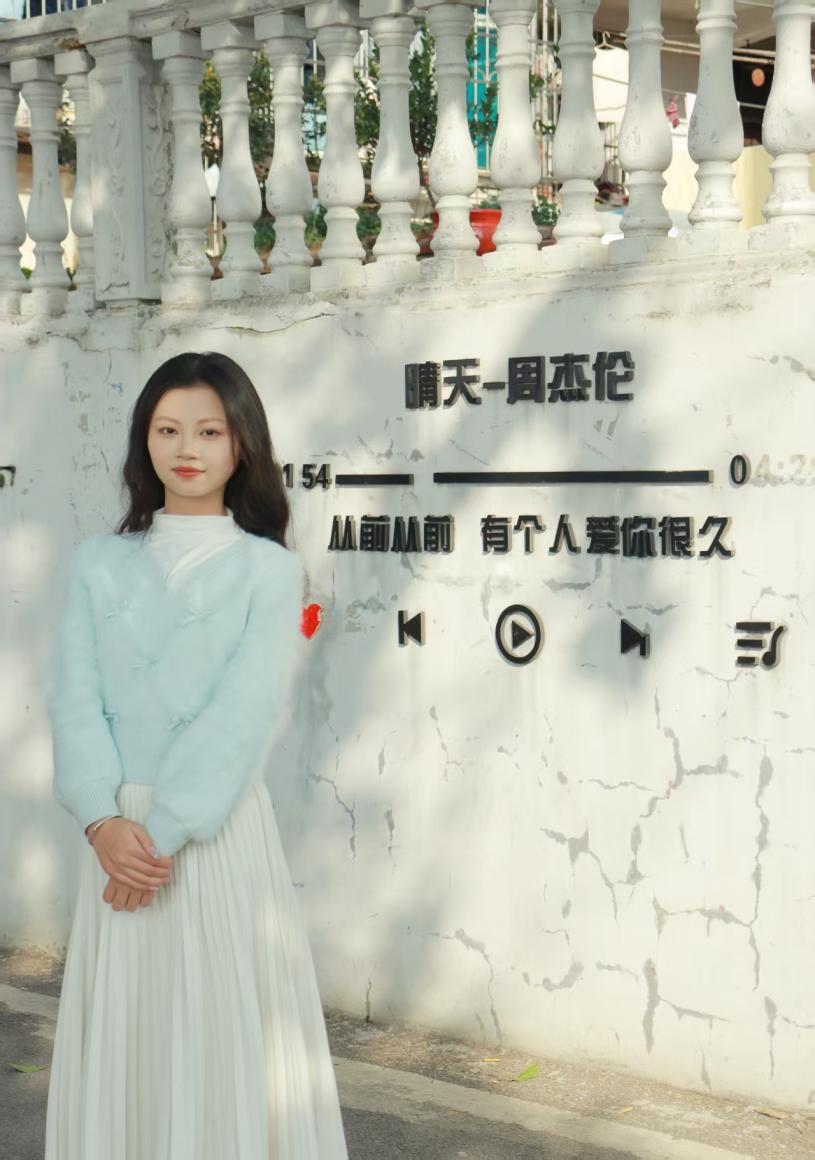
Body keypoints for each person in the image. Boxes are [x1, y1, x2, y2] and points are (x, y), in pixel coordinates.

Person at [43, 351, 349, 1159]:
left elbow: (245, 714)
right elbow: (73, 695)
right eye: (168, 429)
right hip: (115, 834)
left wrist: (159, 835)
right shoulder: (98, 562)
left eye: (210, 431)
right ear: (143, 440)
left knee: (217, 1030)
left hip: (209, 835)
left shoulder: (269, 570)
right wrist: (101, 820)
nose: (187, 448)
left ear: (241, 444)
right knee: (130, 1032)